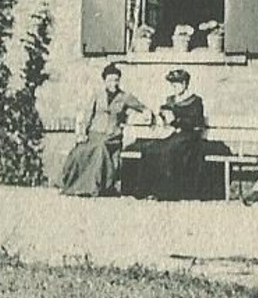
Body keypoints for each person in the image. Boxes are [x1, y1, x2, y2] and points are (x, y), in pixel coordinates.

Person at [58, 63, 147, 197]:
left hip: (112, 136)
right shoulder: (97, 95)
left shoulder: (125, 97)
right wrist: (82, 133)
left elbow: (141, 107)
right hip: (95, 133)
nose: (113, 83)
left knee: (100, 148)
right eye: (110, 80)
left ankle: (94, 186)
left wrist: (147, 113)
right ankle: (75, 185)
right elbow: (88, 114)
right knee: (80, 151)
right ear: (104, 81)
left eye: (116, 80)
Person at [125, 69, 208, 201]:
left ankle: (167, 192)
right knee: (151, 148)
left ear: (185, 84)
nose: (175, 87)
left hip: (188, 137)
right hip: (172, 135)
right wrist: (159, 115)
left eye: (178, 84)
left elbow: (195, 122)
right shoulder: (170, 100)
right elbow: (163, 115)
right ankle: (148, 190)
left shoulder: (195, 101)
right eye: (173, 84)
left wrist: (176, 120)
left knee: (168, 150)